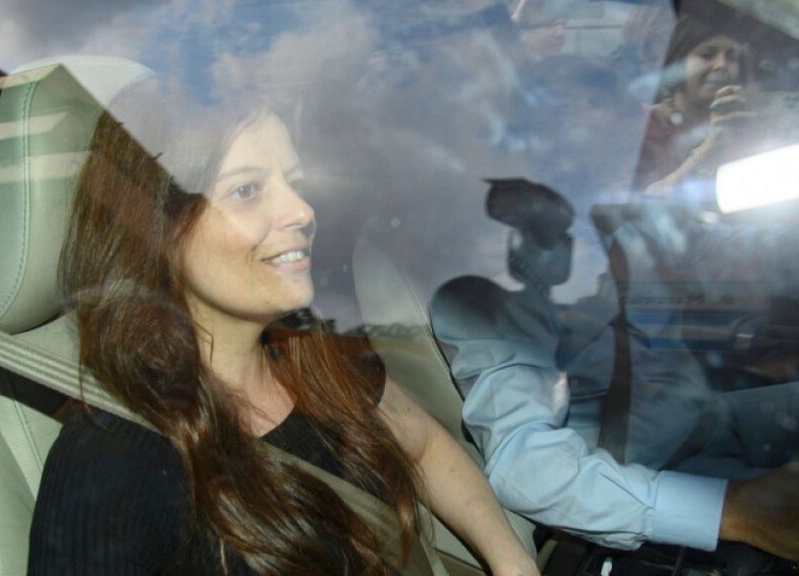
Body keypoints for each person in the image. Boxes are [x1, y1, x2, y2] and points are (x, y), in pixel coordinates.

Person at [27, 77, 539, 576]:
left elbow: (423, 445)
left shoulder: (311, 349)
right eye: (247, 190)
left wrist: (511, 561)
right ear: (157, 229)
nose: (302, 210)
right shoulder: (113, 459)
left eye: (294, 183)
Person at [431, 197, 799, 574]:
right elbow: (523, 464)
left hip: (712, 414)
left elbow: (740, 252)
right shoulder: (485, 284)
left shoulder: (608, 209)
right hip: (656, 474)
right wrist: (729, 509)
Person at [632, 17, 799, 200]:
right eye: (707, 55)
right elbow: (640, 202)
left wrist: (798, 137)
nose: (721, 65)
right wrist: (707, 151)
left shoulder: (744, 127)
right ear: (677, 63)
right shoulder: (644, 125)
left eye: (731, 57)